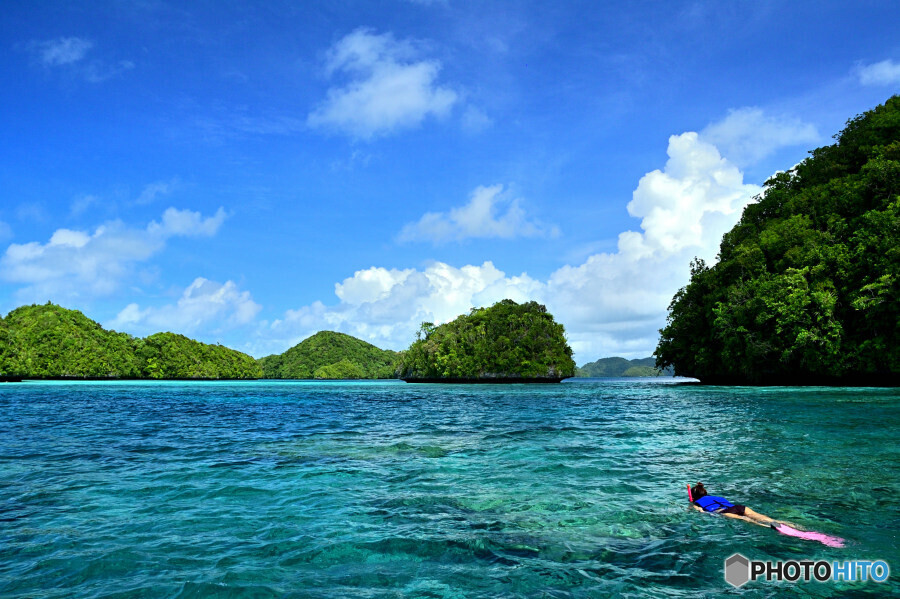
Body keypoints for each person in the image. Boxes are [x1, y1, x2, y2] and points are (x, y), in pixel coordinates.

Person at [690, 482, 788, 528]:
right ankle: (789, 524)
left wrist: (692, 506)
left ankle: (767, 526)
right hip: (738, 507)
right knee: (764, 518)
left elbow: (700, 511)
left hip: (724, 512)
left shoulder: (696, 503)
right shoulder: (716, 497)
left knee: (749, 521)